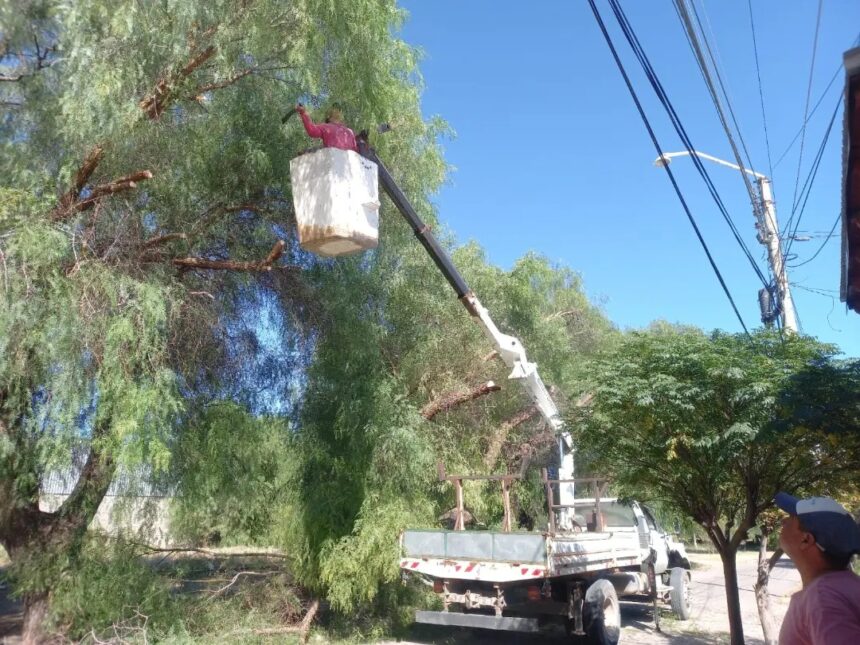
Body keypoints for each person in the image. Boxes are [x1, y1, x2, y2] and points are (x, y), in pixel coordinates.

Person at [775, 492, 860, 644]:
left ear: (806, 540)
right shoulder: (847, 585)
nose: (783, 521)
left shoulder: (823, 597)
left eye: (792, 517)